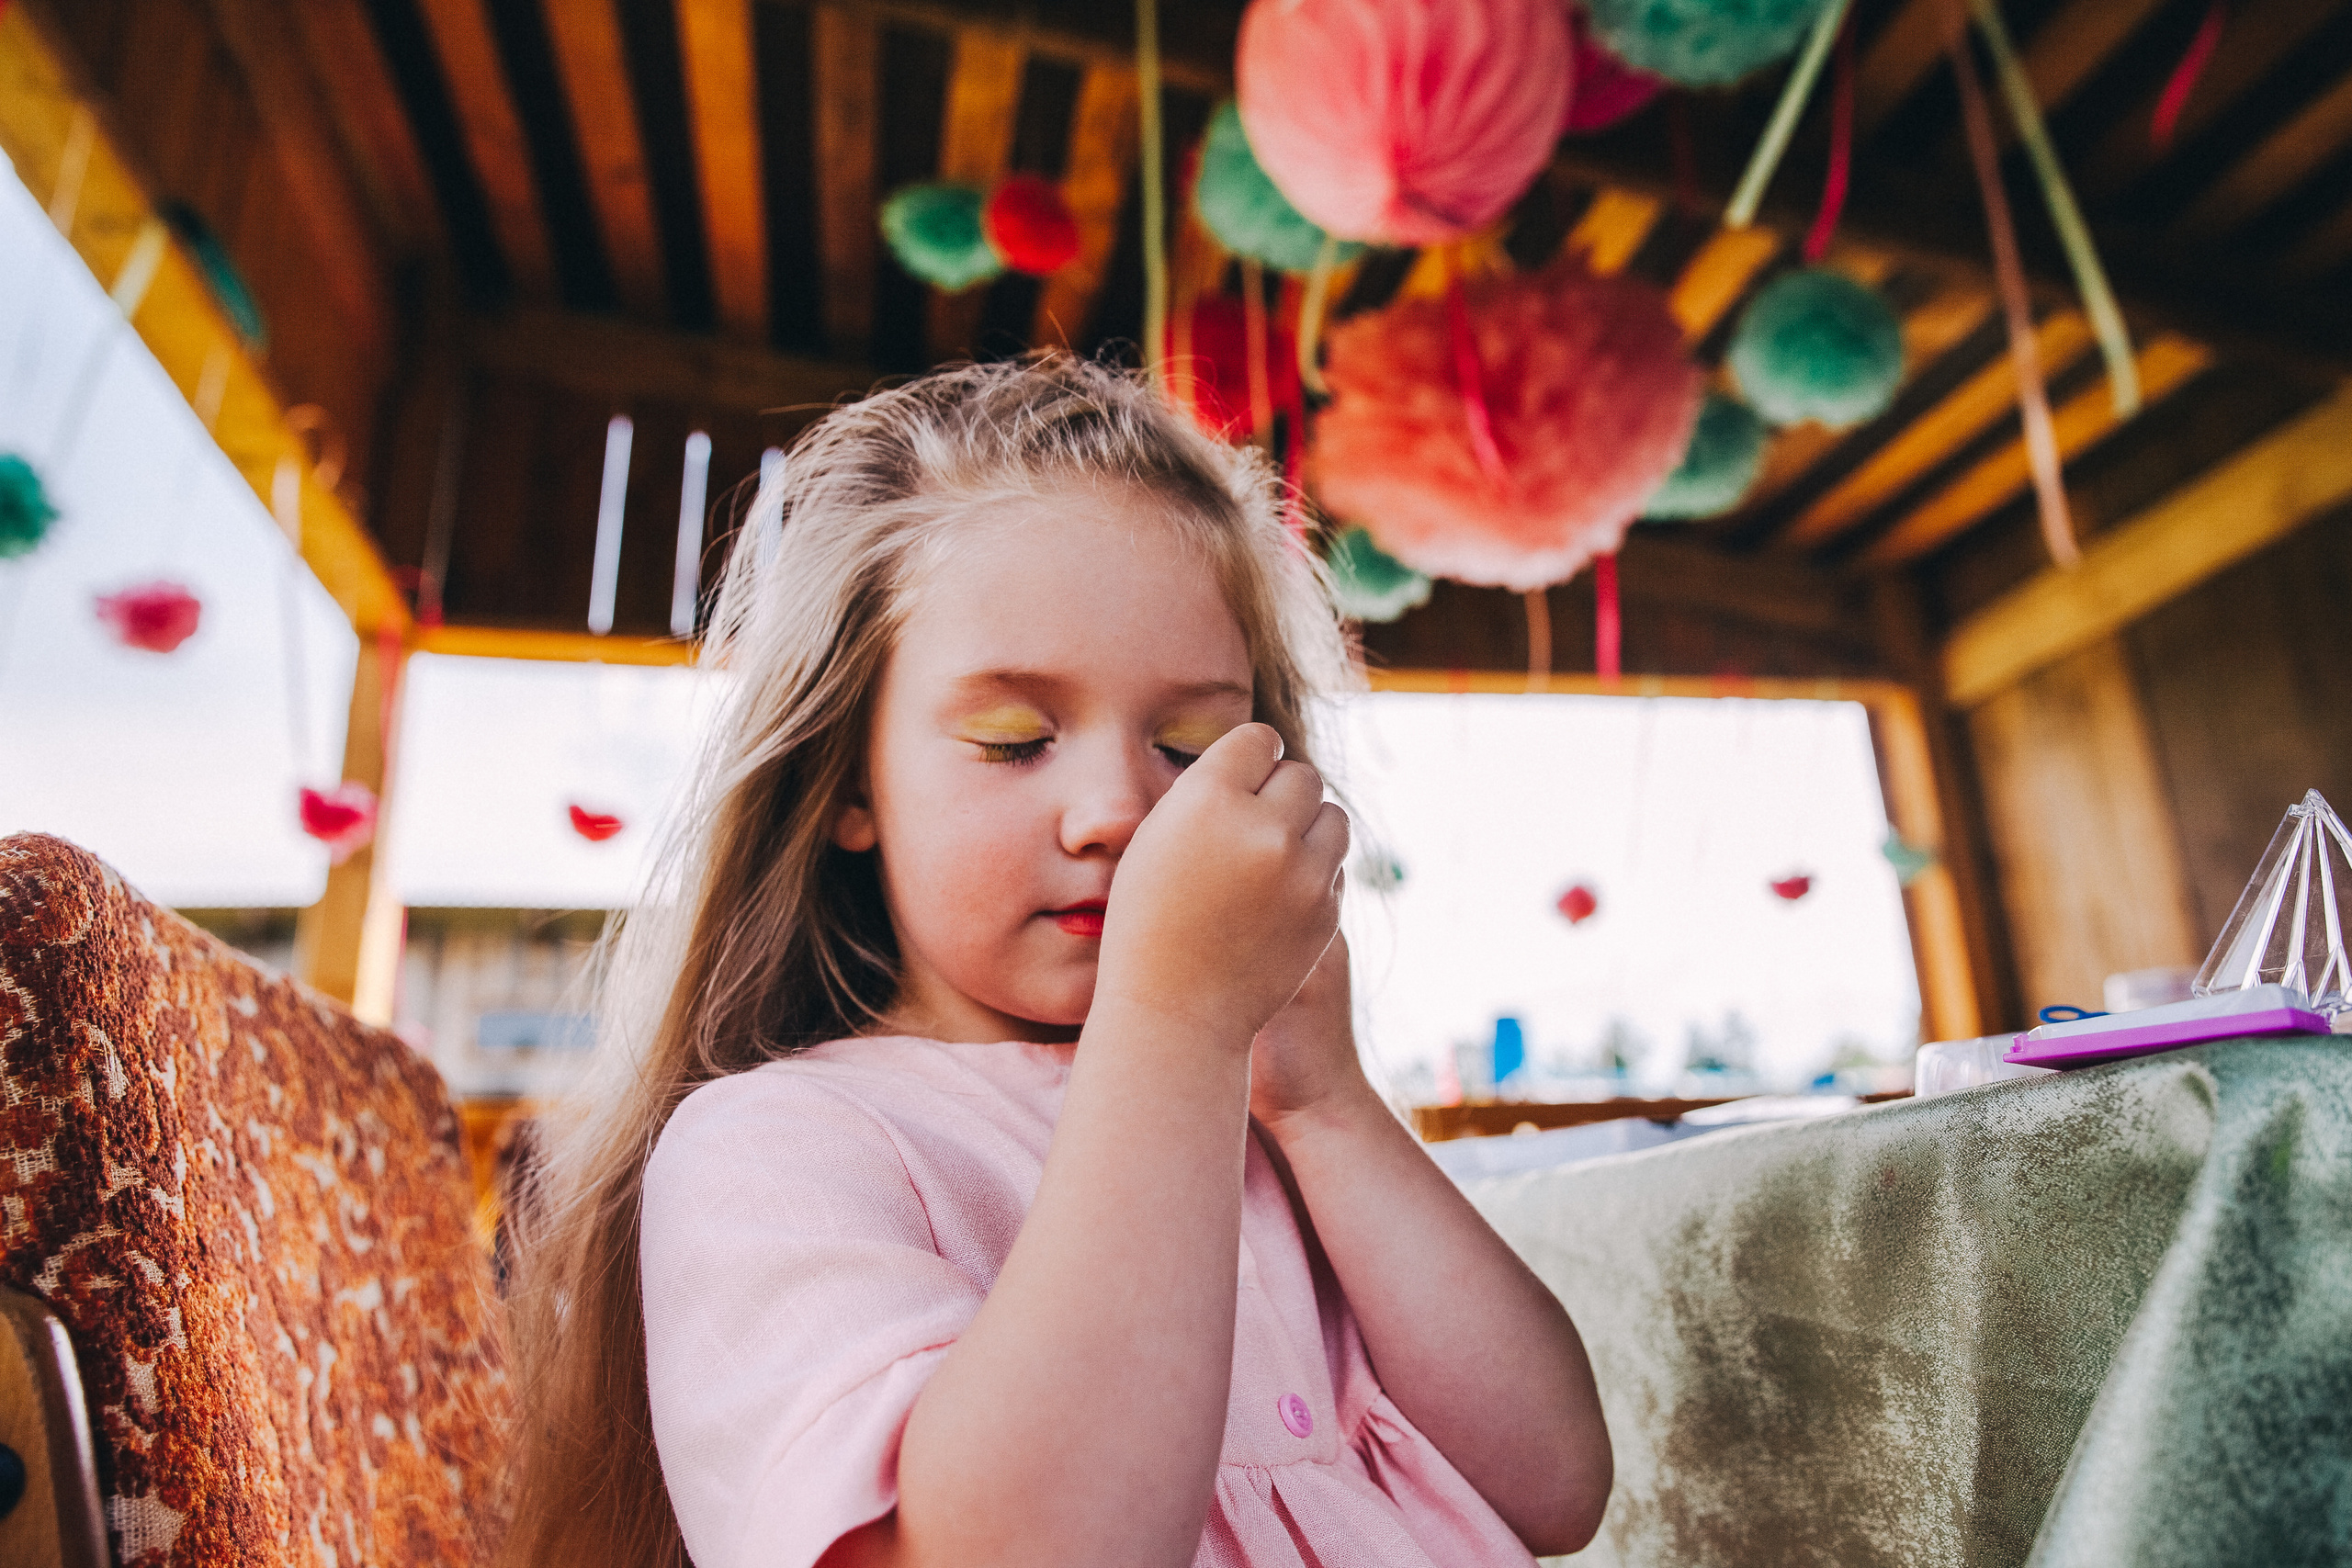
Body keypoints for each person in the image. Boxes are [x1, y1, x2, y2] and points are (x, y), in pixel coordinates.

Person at [502, 357, 1611, 1568]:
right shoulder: (774, 1146)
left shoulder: (1274, 1128)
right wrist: (1175, 1022)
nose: (1120, 811)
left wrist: (1328, 1104)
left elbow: (1553, 1487)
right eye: (1012, 740)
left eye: (1189, 745)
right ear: (847, 782)